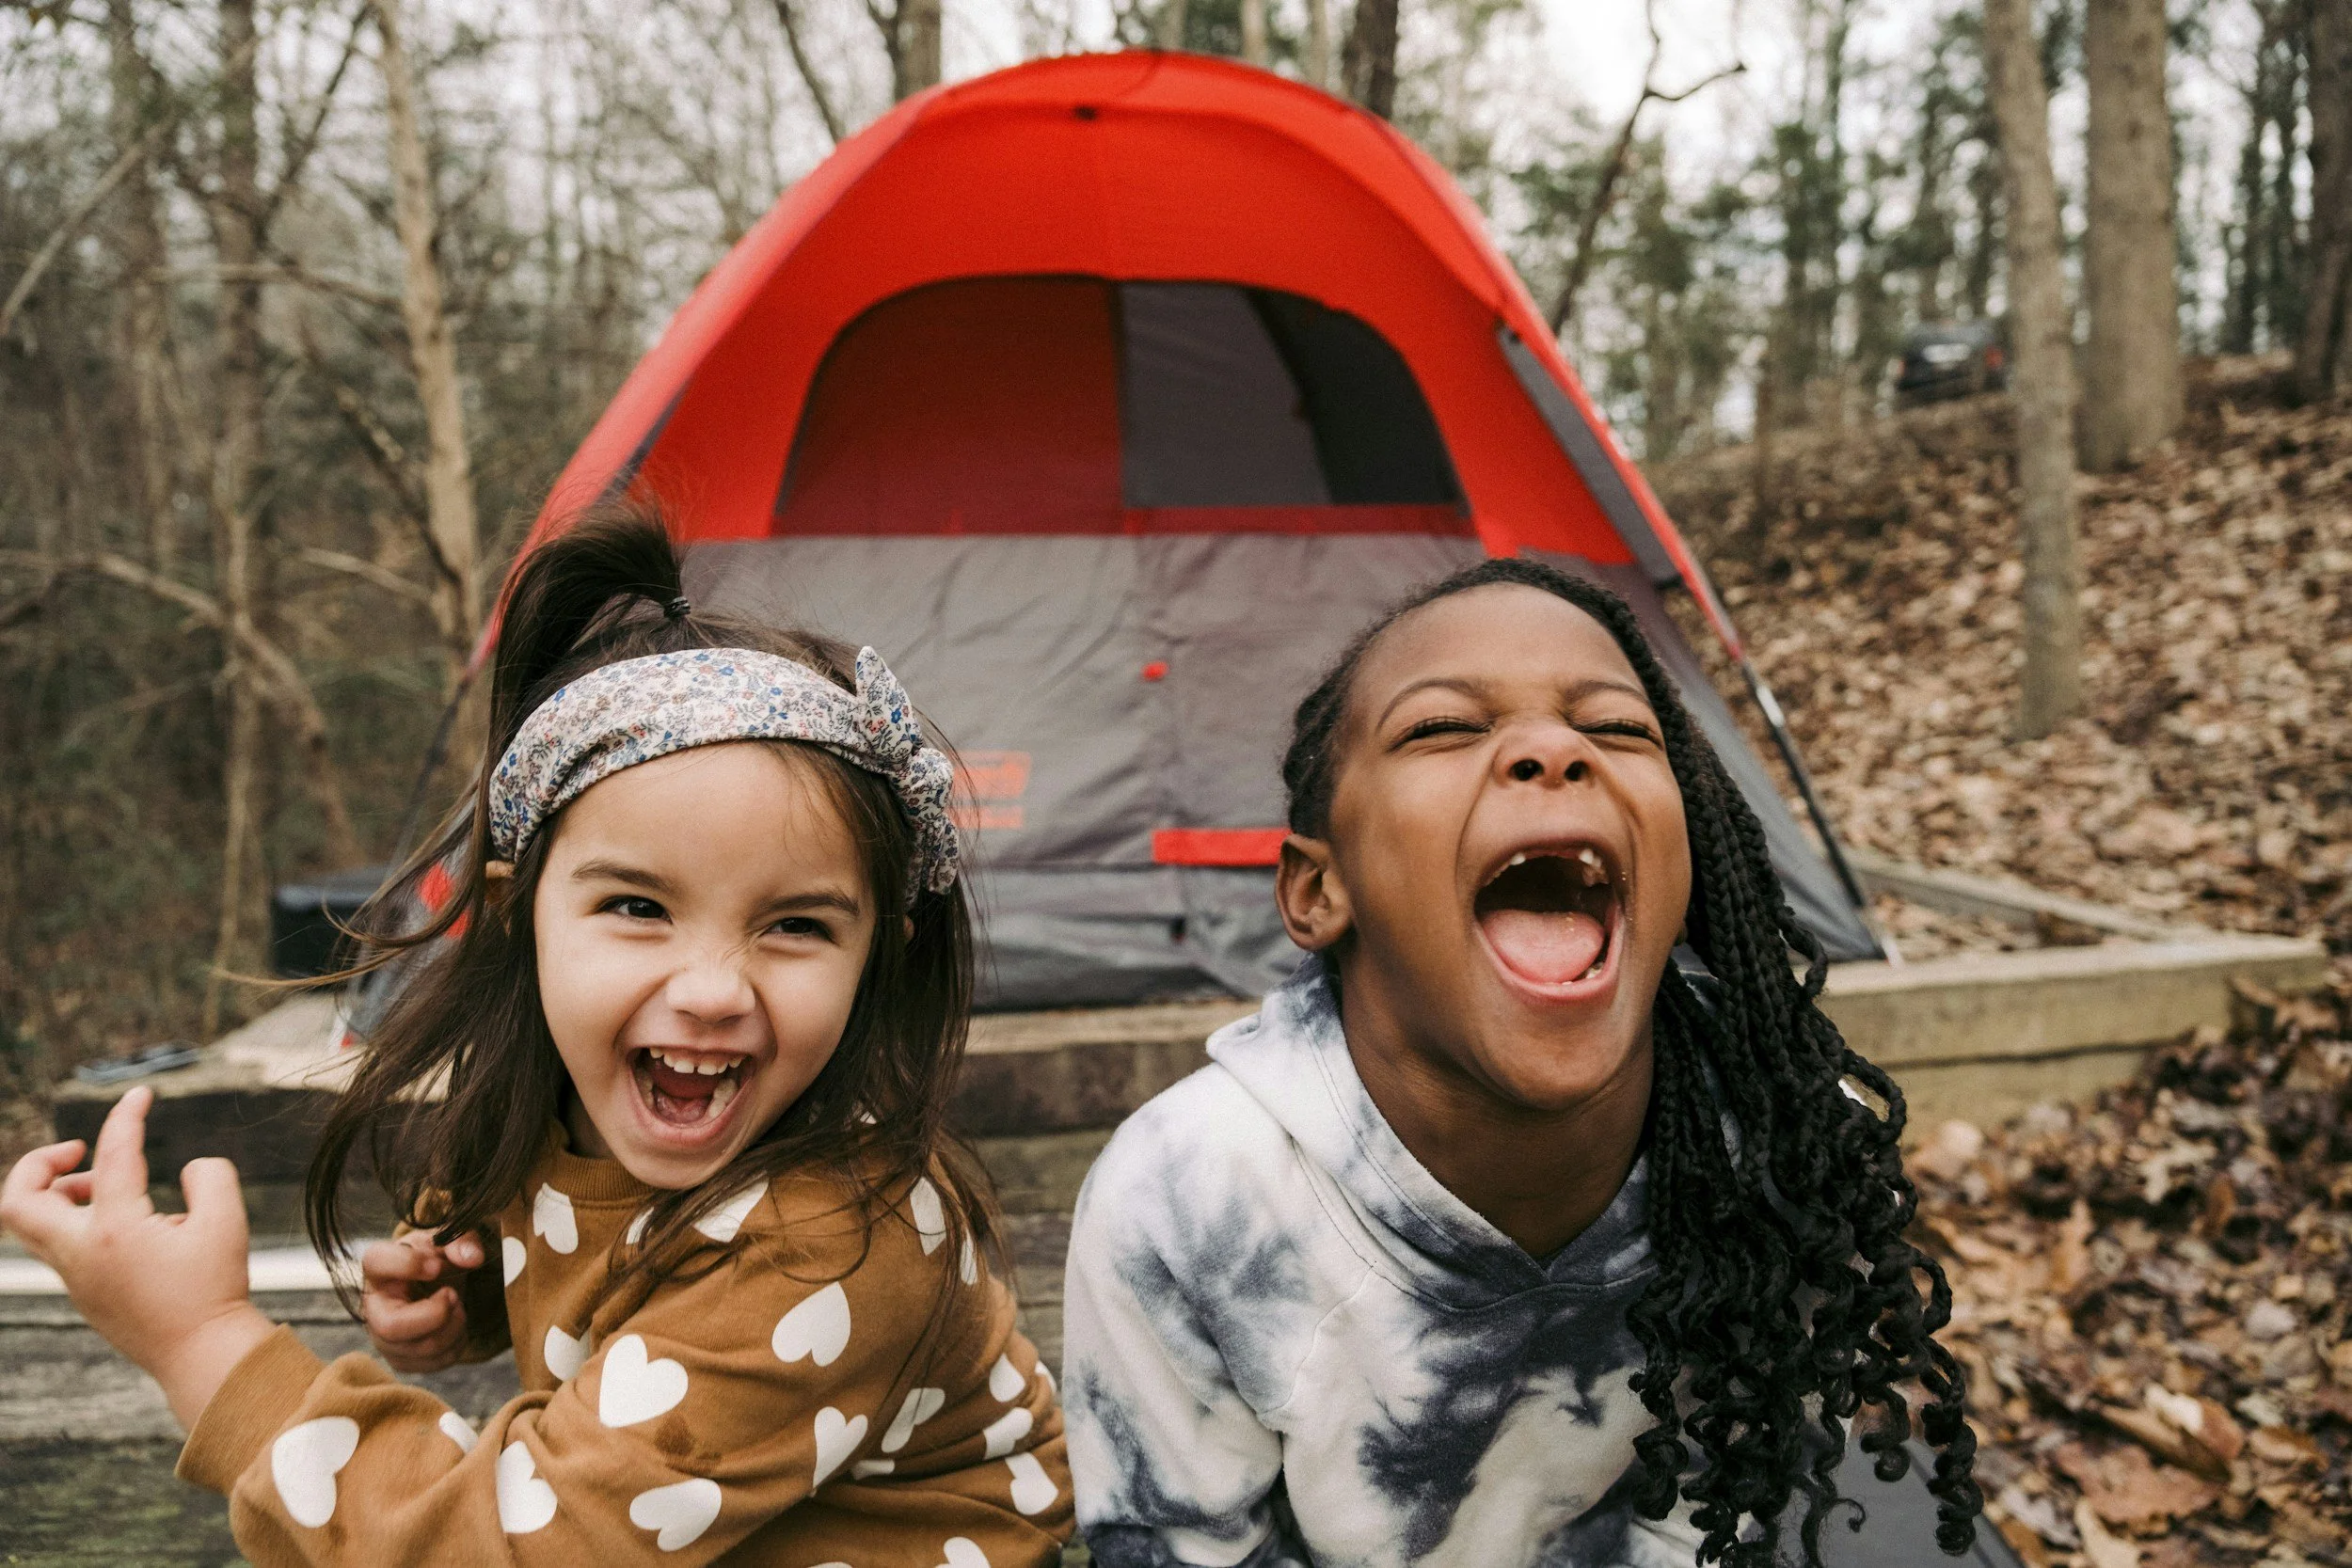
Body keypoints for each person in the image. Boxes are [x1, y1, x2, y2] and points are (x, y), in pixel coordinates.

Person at [1, 507, 1072, 1566]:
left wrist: (202, 1341)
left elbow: (494, 1549)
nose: (710, 988)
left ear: (878, 948)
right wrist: (466, 1291)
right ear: (519, 913)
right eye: (639, 907)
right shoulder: (558, 1106)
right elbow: (617, 1272)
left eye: (795, 924)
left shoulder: (832, 1238)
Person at [1058, 558, 1981, 1568]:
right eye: (1442, 727)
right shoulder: (1188, 1196)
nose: (1552, 748)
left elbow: (1714, 1515)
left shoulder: (1779, 1140)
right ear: (1318, 889)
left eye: (1619, 728)